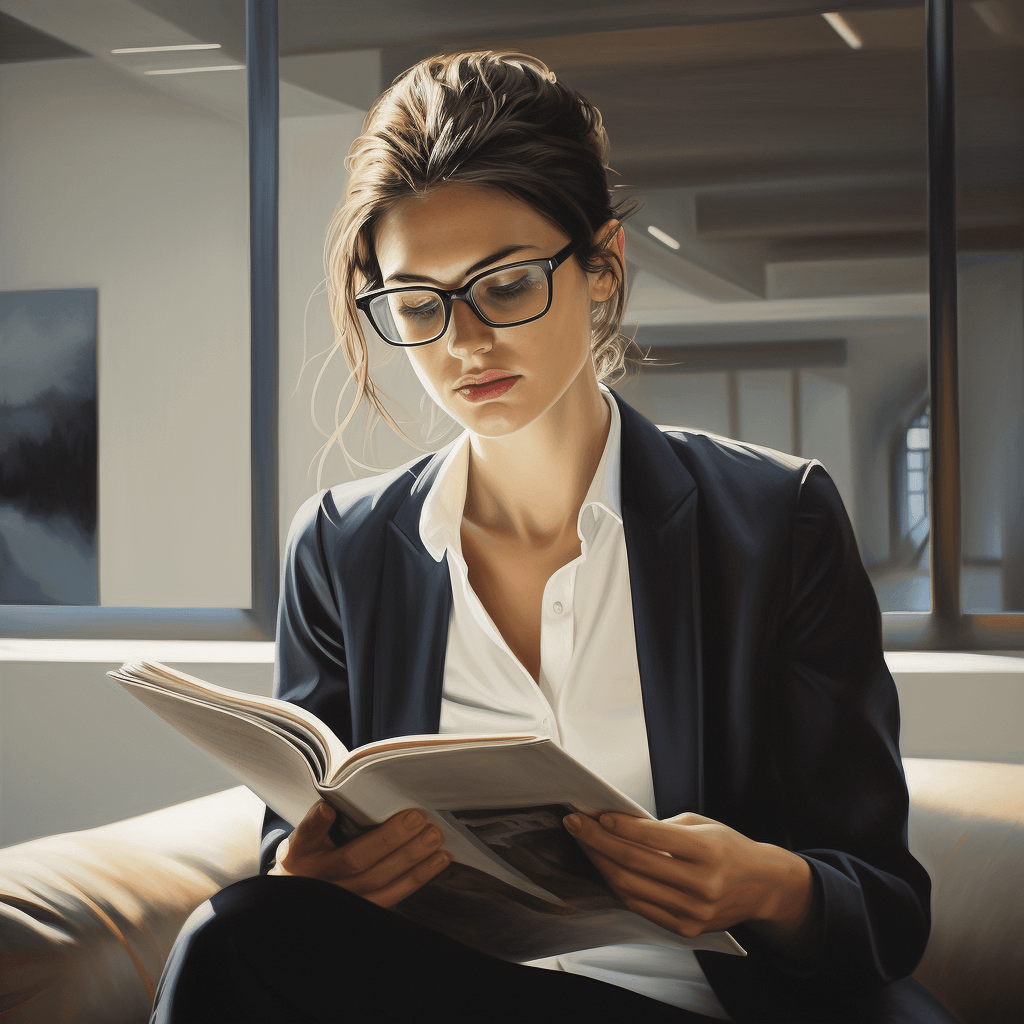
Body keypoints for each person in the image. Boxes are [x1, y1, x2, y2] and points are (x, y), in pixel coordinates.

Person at [151, 51, 959, 1024]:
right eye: (417, 304)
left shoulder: (774, 520)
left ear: (601, 263)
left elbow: (884, 904)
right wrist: (301, 868)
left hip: (697, 1004)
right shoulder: (339, 548)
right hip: (436, 993)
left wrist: (765, 886)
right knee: (235, 929)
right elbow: (302, 838)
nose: (461, 344)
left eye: (503, 286)